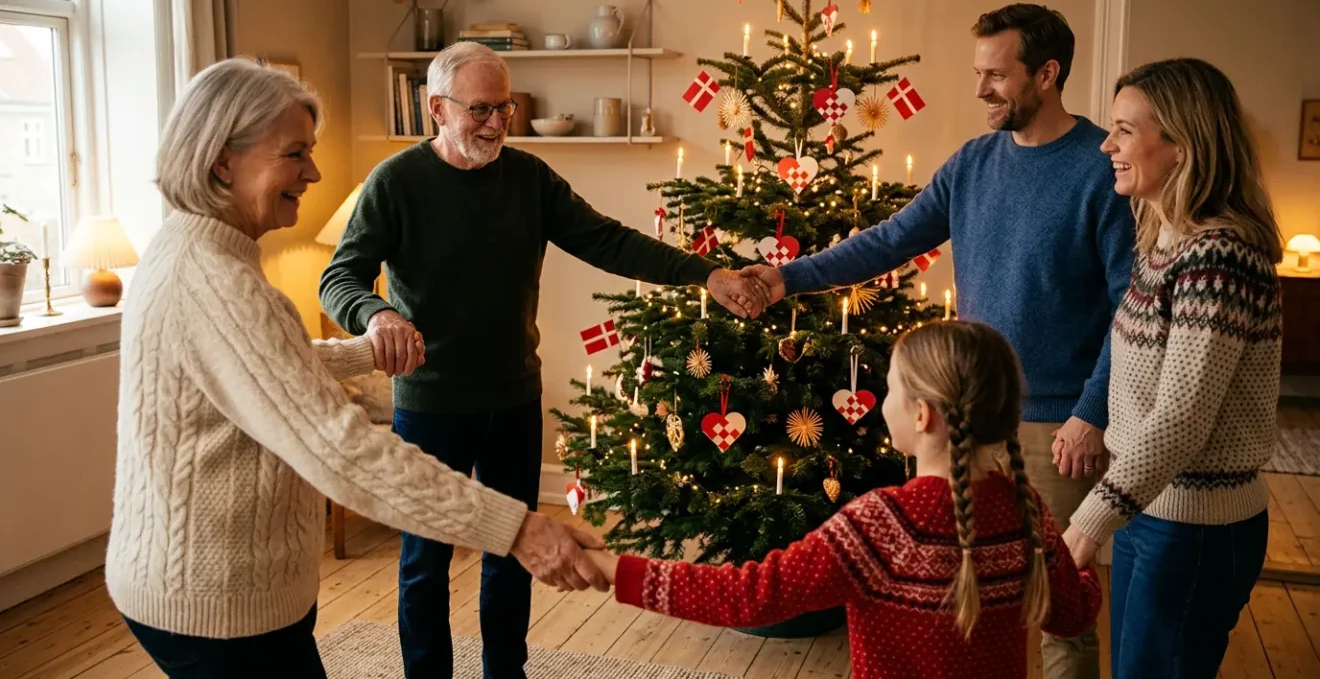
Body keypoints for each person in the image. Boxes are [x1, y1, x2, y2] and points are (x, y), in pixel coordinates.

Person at [107, 57, 610, 678]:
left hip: (211, 591)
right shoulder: (215, 280)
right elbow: (340, 450)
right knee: (424, 569)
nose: (313, 172)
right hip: (214, 602)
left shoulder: (188, 249)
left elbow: (264, 363)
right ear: (222, 162)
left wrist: (367, 352)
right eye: (294, 154)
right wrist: (519, 530)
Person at [317, 41, 769, 679]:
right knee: (425, 562)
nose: (496, 123)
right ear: (436, 109)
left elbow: (609, 241)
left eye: (505, 108)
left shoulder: (528, 178)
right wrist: (377, 314)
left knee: (513, 554)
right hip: (432, 401)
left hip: (512, 397)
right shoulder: (395, 183)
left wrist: (708, 274)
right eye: (480, 109)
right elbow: (339, 278)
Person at [739, 7, 1132, 675]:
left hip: (1059, 430)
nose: (980, 89)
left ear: (1047, 73)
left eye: (995, 75)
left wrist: (1092, 413)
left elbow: (1133, 308)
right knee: (965, 603)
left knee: (1060, 619)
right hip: (967, 424)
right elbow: (890, 240)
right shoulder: (973, 163)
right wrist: (786, 277)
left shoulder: (1101, 172)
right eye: (978, 73)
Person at [585, 321, 1102, 679]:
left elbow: (749, 596)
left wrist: (613, 569)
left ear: (922, 415)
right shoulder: (1025, 510)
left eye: (892, 389)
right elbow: (1072, 616)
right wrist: (1084, 564)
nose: (884, 402)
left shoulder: (881, 524)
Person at [1063, 58, 1283, 679]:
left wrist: (1088, 523)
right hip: (1152, 510)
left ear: (1182, 146)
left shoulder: (1219, 257)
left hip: (1197, 528)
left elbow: (1182, 417)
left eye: (1125, 130)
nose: (1106, 145)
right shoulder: (1161, 240)